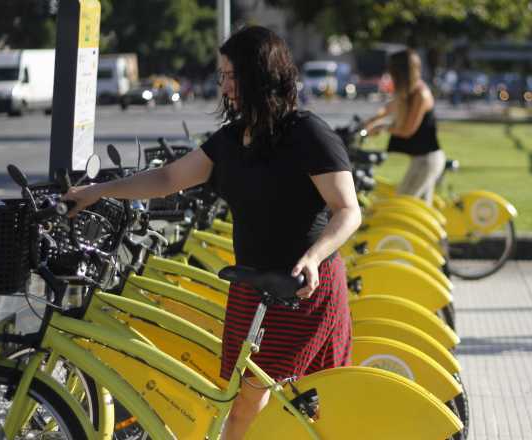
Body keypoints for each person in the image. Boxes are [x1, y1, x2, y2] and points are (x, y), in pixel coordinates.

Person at [63, 26, 361, 439]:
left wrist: (313, 257)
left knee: (282, 404)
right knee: (251, 403)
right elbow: (168, 178)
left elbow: (347, 211)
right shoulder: (232, 140)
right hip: (252, 286)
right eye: (222, 75)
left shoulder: (307, 134)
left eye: (231, 75)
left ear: (260, 75)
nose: (224, 86)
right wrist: (98, 191)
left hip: (302, 290)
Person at [363, 49, 444, 205]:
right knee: (420, 208)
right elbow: (388, 108)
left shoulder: (420, 94)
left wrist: (382, 128)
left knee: (401, 203)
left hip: (427, 161)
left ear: (401, 73)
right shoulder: (409, 92)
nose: (390, 75)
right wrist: (370, 122)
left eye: (392, 72)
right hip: (421, 160)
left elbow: (408, 131)